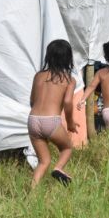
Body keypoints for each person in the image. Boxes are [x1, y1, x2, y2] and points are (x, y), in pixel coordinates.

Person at [27, 39, 79, 187]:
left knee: (43, 161)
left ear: (48, 56)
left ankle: (32, 194)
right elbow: (68, 102)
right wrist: (70, 123)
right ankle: (58, 168)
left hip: (32, 119)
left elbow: (32, 100)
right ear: (68, 58)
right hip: (51, 121)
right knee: (67, 148)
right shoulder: (69, 79)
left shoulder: (38, 76)